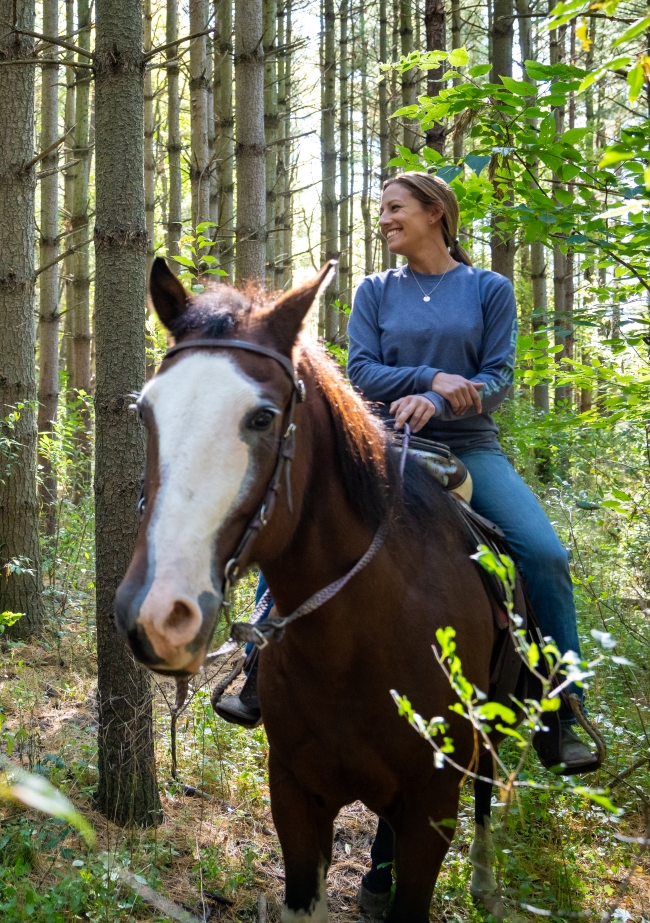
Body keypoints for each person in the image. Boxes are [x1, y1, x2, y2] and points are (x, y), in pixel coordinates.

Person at [215, 171, 596, 773]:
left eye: (396, 208)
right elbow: (360, 372)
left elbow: (498, 378)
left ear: (435, 212)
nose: (385, 218)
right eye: (382, 209)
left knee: (544, 554)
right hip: (382, 444)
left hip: (470, 446)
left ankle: (562, 711)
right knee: (298, 524)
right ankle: (257, 670)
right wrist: (428, 379)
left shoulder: (488, 289)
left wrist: (445, 400)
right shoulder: (374, 291)